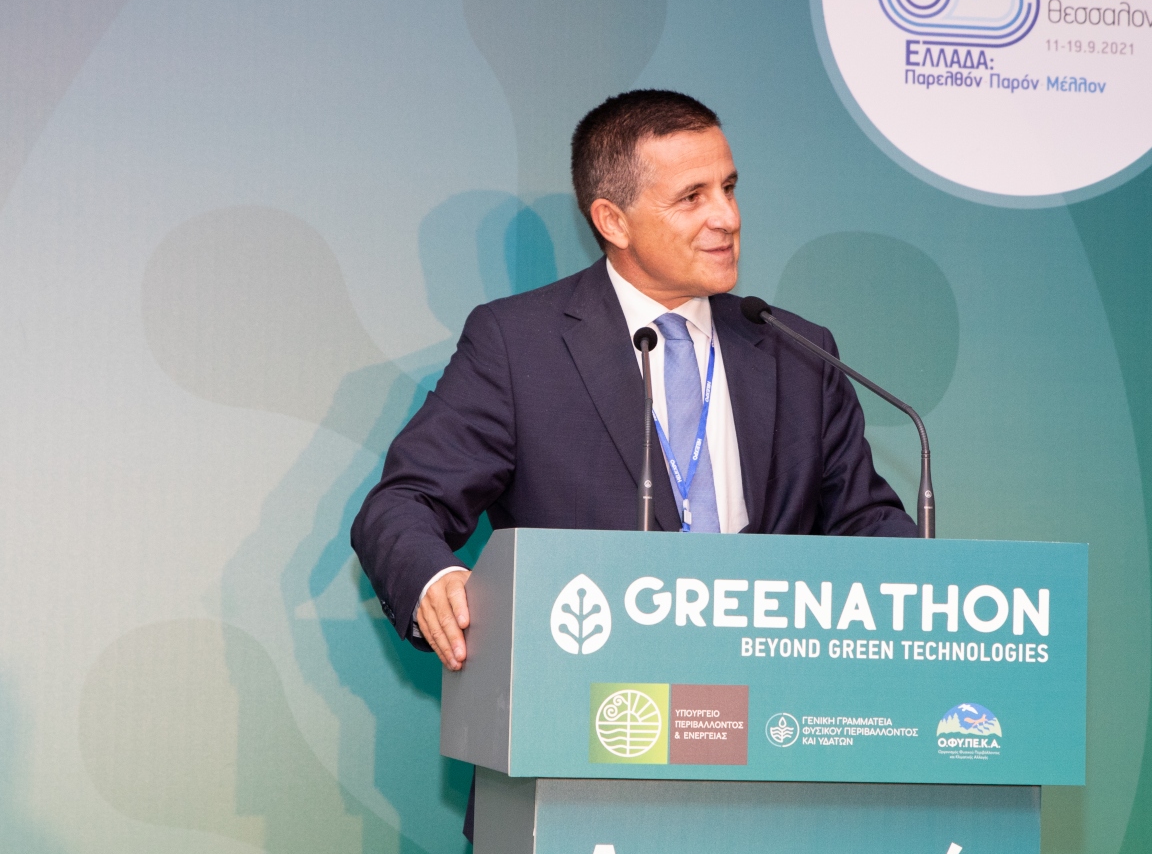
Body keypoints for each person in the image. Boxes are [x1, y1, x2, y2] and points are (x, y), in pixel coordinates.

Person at [351, 88, 918, 678]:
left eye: (728, 188)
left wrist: (934, 597)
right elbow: (403, 503)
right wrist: (435, 581)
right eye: (692, 197)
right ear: (613, 221)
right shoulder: (519, 346)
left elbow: (863, 521)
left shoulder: (795, 350)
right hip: (588, 691)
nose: (727, 218)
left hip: (775, 697)